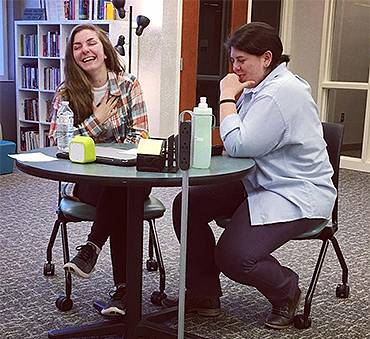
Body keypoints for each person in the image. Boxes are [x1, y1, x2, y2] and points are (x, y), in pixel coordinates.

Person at [163, 22, 337, 329]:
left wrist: (226, 96)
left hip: (296, 192)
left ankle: (286, 290)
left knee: (233, 257)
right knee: (188, 203)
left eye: (241, 60)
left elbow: (240, 144)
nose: (235, 68)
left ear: (266, 58)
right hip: (261, 181)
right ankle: (203, 293)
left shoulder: (281, 93)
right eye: (233, 61)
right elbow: (238, 140)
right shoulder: (261, 87)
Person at [49, 24, 150, 317]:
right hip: (88, 181)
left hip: (130, 174)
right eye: (77, 46)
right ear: (72, 56)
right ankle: (123, 292)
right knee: (123, 199)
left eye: (91, 43)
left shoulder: (129, 85)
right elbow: (61, 143)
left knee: (121, 188)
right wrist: (96, 119)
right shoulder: (67, 92)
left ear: (105, 49)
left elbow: (140, 135)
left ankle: (91, 248)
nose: (85, 50)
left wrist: (97, 147)